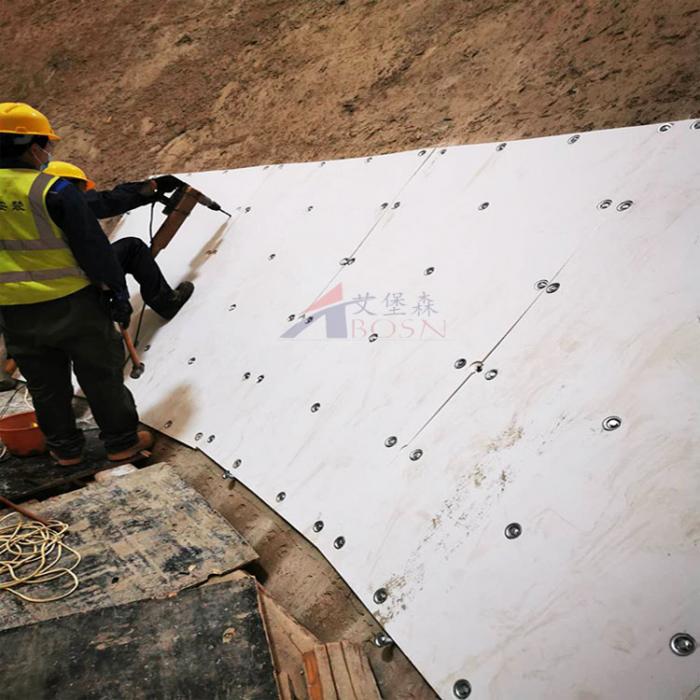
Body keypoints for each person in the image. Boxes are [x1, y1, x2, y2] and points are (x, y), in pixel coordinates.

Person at [0, 102, 153, 465]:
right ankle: (121, 443)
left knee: (45, 384)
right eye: (44, 144)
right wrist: (116, 293)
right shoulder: (51, 190)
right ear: (29, 146)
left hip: (13, 311)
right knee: (100, 374)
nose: (46, 152)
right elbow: (93, 249)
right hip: (72, 303)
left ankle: (65, 451)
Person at [44, 160, 194, 319]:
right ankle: (167, 303)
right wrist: (150, 187)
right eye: (82, 189)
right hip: (79, 282)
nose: (83, 193)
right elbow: (106, 202)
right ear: (66, 185)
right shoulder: (62, 200)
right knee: (133, 249)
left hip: (55, 290)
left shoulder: (38, 209)